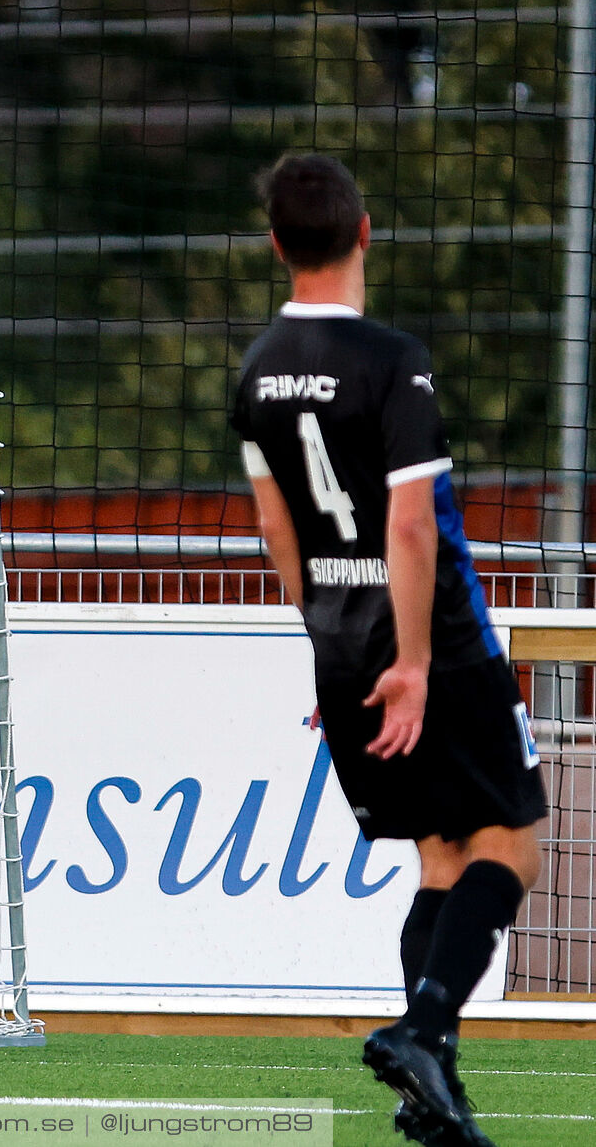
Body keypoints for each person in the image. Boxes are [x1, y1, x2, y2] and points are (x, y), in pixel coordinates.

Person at [231, 154, 546, 1147]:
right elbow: (408, 526)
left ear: (276, 244)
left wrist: (335, 649)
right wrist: (411, 660)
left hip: (339, 643)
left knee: (438, 859)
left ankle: (431, 1094)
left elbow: (278, 533)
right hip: (435, 643)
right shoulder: (390, 357)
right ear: (362, 232)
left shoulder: (253, 375)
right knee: (510, 845)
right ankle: (419, 1030)